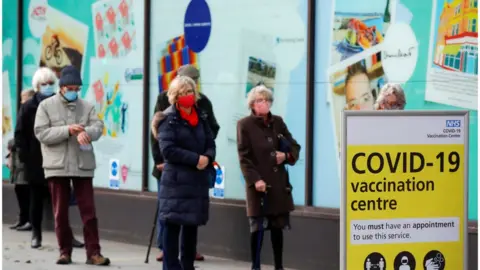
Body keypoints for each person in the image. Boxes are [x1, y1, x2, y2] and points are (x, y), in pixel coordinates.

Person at [34, 65, 110, 265]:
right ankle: (64, 251)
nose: (74, 92)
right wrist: (67, 130)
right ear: (62, 87)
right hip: (56, 166)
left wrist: (88, 133)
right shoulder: (46, 106)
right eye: (71, 88)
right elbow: (41, 133)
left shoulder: (87, 106)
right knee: (60, 212)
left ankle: (93, 253)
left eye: (77, 88)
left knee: (89, 212)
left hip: (82, 164)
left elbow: (98, 126)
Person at [151, 64, 219, 261]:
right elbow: (164, 145)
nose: (189, 94)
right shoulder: (167, 116)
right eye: (184, 91)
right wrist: (194, 158)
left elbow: (211, 137)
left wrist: (207, 157)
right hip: (176, 177)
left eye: (192, 89)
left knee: (191, 225)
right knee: (171, 222)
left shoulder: (202, 111)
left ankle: (188, 262)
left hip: (196, 179)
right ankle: (168, 256)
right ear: (175, 94)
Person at [14, 68, 83, 249]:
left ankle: (66, 236)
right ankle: (36, 234)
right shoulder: (28, 107)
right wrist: (25, 158)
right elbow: (20, 134)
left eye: (50, 83)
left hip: (59, 158)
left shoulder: (62, 104)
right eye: (43, 84)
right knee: (36, 199)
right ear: (36, 86)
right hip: (35, 160)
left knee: (61, 200)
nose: (47, 87)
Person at [236, 85, 301, 270]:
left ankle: (278, 266)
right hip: (258, 185)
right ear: (252, 104)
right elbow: (244, 157)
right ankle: (255, 266)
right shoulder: (244, 124)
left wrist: (286, 156)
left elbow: (295, 146)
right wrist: (255, 180)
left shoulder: (278, 122)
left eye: (266, 100)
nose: (263, 103)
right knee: (257, 228)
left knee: (277, 228)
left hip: (278, 184)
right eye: (259, 100)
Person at [9, 90, 35, 231]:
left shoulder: (31, 112)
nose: (21, 102)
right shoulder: (22, 112)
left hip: (27, 157)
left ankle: (29, 220)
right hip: (18, 157)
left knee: (27, 190)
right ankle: (22, 218)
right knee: (19, 189)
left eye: (23, 99)